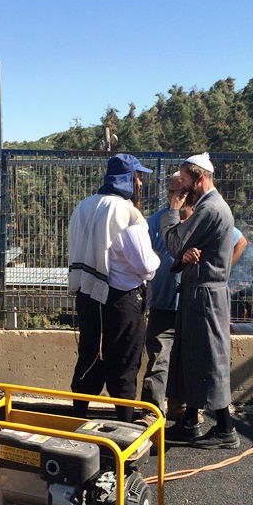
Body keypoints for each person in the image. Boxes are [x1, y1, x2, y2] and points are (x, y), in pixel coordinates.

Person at [135, 171, 247, 428]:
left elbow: (239, 240)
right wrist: (177, 257)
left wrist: (220, 271)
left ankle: (182, 409)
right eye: (173, 192)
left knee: (189, 360)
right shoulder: (158, 220)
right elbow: (147, 252)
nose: (177, 197)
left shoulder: (204, 217)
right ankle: (152, 412)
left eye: (182, 192)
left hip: (194, 304)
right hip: (164, 301)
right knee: (159, 358)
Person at [68, 153, 160, 422]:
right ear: (128, 180)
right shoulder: (128, 213)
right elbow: (146, 266)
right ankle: (125, 434)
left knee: (89, 358)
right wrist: (156, 258)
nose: (141, 183)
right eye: (138, 177)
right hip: (122, 301)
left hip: (88, 296)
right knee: (123, 365)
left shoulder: (83, 206)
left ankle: (77, 422)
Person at [161, 153, 239, 448]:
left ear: (199, 178)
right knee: (194, 355)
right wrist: (186, 253)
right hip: (202, 292)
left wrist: (173, 210)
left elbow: (174, 243)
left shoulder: (209, 208)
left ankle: (226, 429)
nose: (181, 187)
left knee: (209, 357)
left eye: (184, 180)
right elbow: (186, 248)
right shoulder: (210, 206)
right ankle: (191, 421)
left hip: (206, 295)